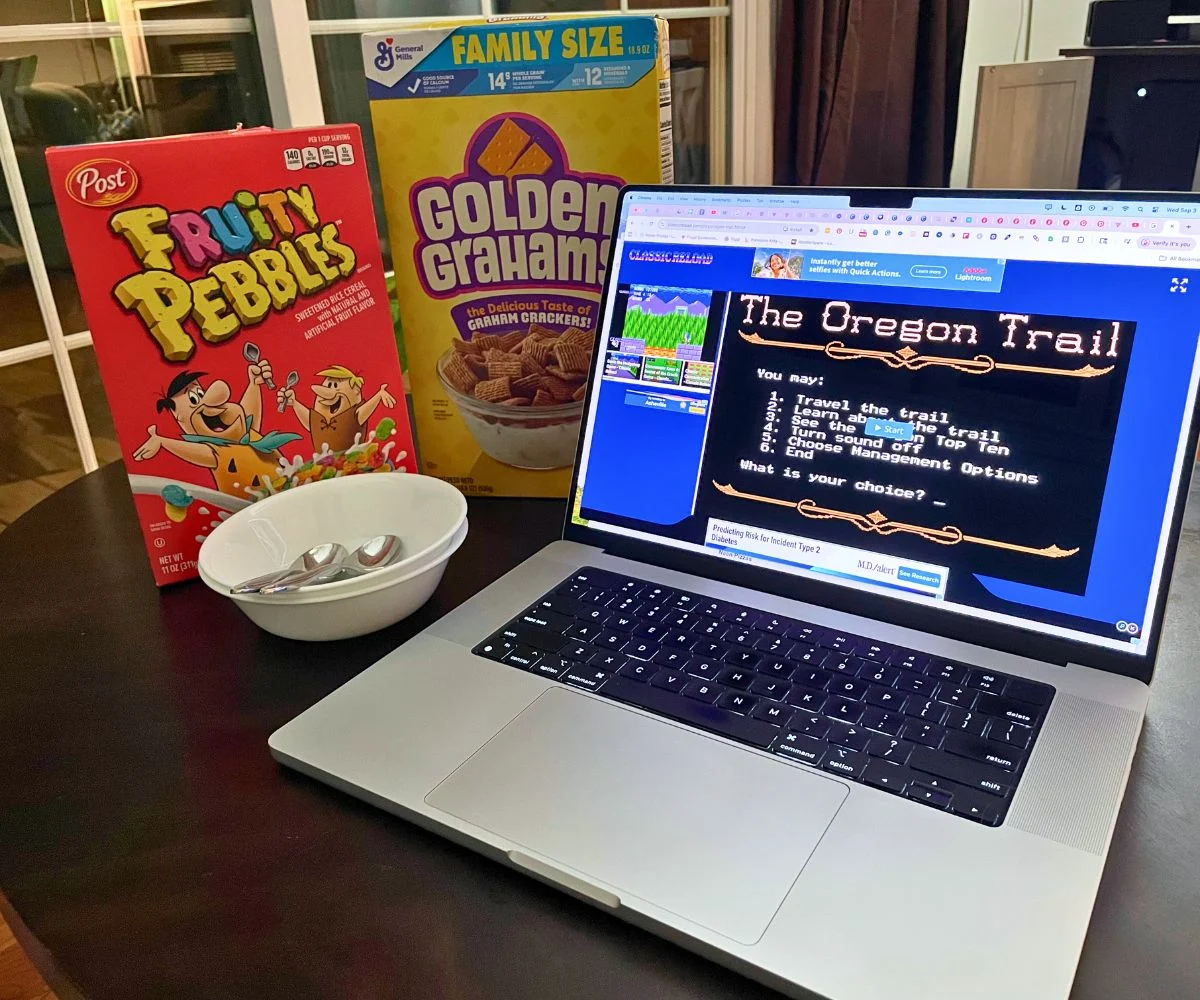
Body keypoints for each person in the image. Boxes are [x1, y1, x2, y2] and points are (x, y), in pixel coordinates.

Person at [133, 359, 302, 497]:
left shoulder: (244, 432)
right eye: (194, 399)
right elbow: (194, 451)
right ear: (181, 421)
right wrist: (162, 442)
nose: (206, 400)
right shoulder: (216, 451)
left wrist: (253, 384)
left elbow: (247, 413)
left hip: (294, 489)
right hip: (248, 510)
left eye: (199, 393)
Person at [281, 364, 396, 454]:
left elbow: (365, 410)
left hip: (353, 466)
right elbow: (308, 419)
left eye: (335, 386)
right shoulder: (318, 419)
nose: (328, 391)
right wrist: (294, 403)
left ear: (355, 391)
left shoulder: (352, 417)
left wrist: (379, 395)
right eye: (328, 385)